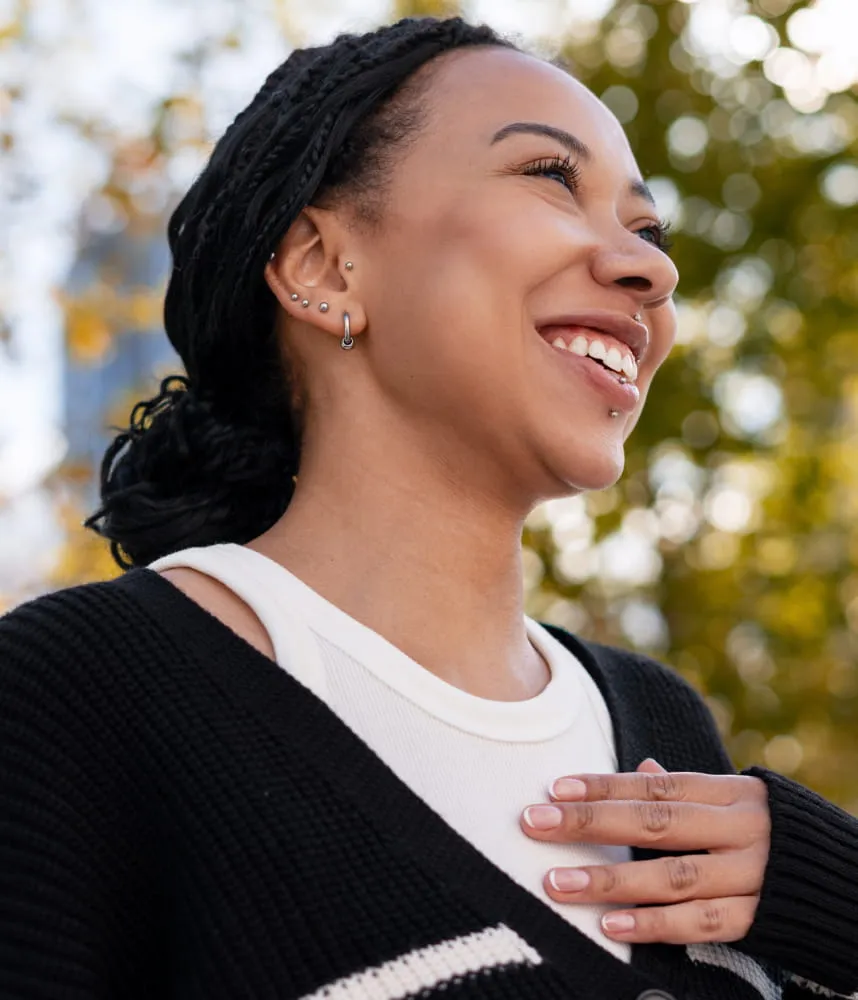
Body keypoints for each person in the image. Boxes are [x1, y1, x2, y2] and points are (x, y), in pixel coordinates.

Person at [1, 15, 856, 1000]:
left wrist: (834, 893)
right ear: (325, 267)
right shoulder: (77, 698)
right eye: (548, 175)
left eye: (648, 229)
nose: (653, 270)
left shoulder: (667, 730)